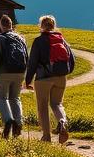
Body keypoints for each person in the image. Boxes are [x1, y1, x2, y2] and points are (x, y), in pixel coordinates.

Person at [24, 14, 75, 144]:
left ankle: (46, 137)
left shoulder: (39, 41)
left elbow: (32, 63)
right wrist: (65, 73)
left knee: (42, 107)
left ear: (41, 26)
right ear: (54, 26)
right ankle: (62, 122)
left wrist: (28, 80)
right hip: (61, 77)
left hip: (43, 79)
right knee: (57, 104)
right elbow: (72, 60)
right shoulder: (62, 40)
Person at [0, 14, 28, 139]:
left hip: (4, 72)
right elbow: (27, 56)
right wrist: (26, 76)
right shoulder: (21, 38)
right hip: (20, 72)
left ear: (1, 25)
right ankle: (18, 123)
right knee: (15, 98)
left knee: (1, 97)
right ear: (11, 25)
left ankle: (8, 120)